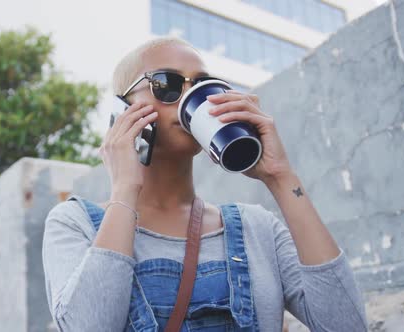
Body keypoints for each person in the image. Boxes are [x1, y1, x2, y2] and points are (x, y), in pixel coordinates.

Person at [41, 37, 367, 331]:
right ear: (122, 109)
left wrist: (280, 177)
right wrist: (124, 188)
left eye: (204, 85)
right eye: (167, 84)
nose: (190, 95)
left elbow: (347, 325)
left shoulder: (259, 229)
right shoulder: (75, 224)